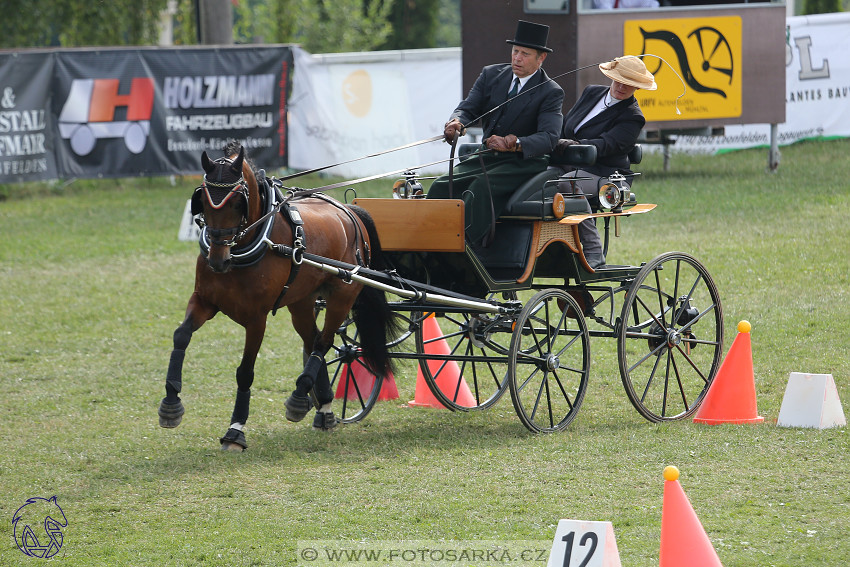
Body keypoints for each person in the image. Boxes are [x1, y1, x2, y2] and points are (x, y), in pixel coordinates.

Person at [427, 20, 564, 246]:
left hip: (524, 162)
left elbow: (549, 138)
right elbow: (468, 107)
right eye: (515, 51)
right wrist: (457, 121)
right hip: (488, 156)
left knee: (479, 188)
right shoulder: (491, 75)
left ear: (541, 58)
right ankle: (428, 243)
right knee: (441, 185)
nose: (517, 58)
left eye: (525, 54)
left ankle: (465, 248)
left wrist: (514, 142)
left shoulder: (551, 92)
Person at [552, 55, 656, 268]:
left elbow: (605, 145)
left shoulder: (633, 117)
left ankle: (592, 249)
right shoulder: (592, 92)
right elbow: (567, 125)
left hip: (607, 176)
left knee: (568, 183)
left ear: (637, 87)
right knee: (537, 178)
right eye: (619, 80)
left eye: (629, 84)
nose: (622, 86)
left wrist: (573, 145)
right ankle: (554, 245)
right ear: (611, 77)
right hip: (571, 166)